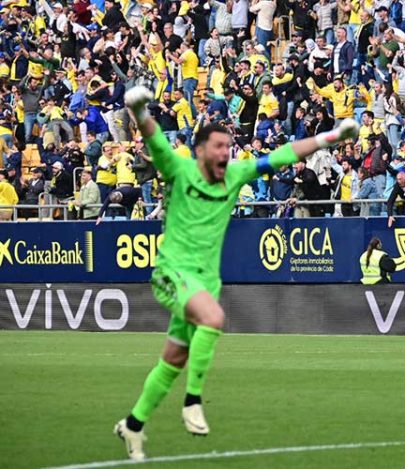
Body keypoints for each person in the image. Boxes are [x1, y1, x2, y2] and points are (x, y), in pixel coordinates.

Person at [113, 86, 359, 461]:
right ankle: (193, 401)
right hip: (172, 273)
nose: (226, 153)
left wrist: (330, 137)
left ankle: (133, 424)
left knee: (172, 361)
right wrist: (137, 108)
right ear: (199, 150)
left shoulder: (237, 173)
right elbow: (155, 138)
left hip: (206, 281)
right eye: (218, 146)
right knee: (214, 318)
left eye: (228, 146)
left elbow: (281, 156)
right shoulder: (178, 170)